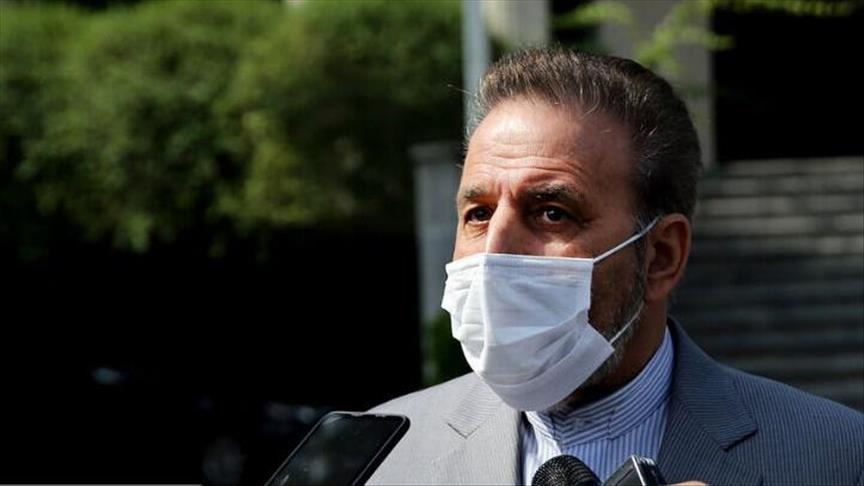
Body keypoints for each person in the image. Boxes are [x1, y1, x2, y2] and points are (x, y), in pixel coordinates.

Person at [367, 48, 864, 485]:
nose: (495, 252)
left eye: (552, 213)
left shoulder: (836, 458)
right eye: (478, 214)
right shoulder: (381, 459)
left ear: (661, 256)